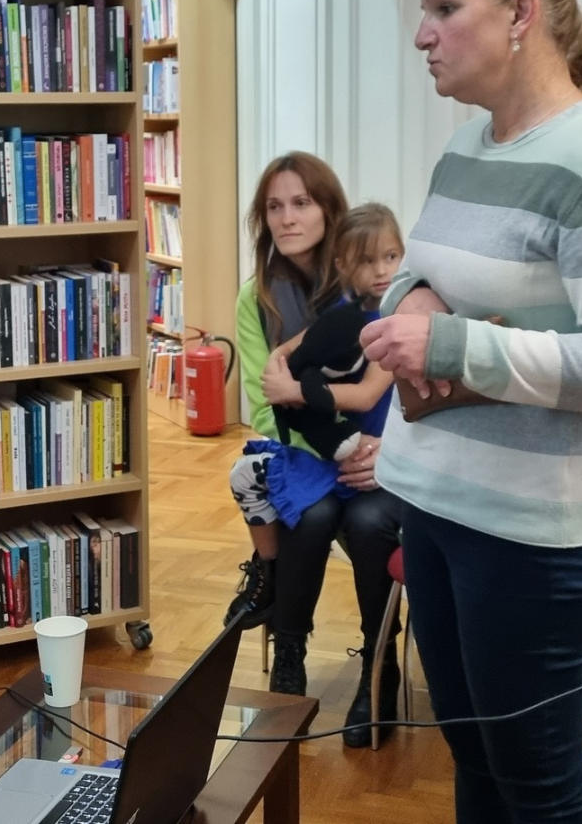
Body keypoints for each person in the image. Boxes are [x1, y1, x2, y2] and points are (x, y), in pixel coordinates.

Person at [362, 0, 582, 823]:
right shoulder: (466, 146)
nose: (421, 34)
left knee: (535, 783)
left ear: (520, 13)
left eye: (443, 8)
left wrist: (448, 345)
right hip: (432, 497)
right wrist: (415, 301)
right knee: (472, 757)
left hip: (526, 530)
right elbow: (414, 277)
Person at [225, 154, 403, 748]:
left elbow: (406, 384)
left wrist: (382, 449)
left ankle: (379, 667)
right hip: (308, 450)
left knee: (371, 521)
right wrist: (333, 449)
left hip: (380, 450)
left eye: (301, 203)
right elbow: (263, 405)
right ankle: (289, 651)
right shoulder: (257, 298)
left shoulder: (366, 280)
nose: (287, 218)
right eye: (274, 207)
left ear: (330, 210)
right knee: (313, 511)